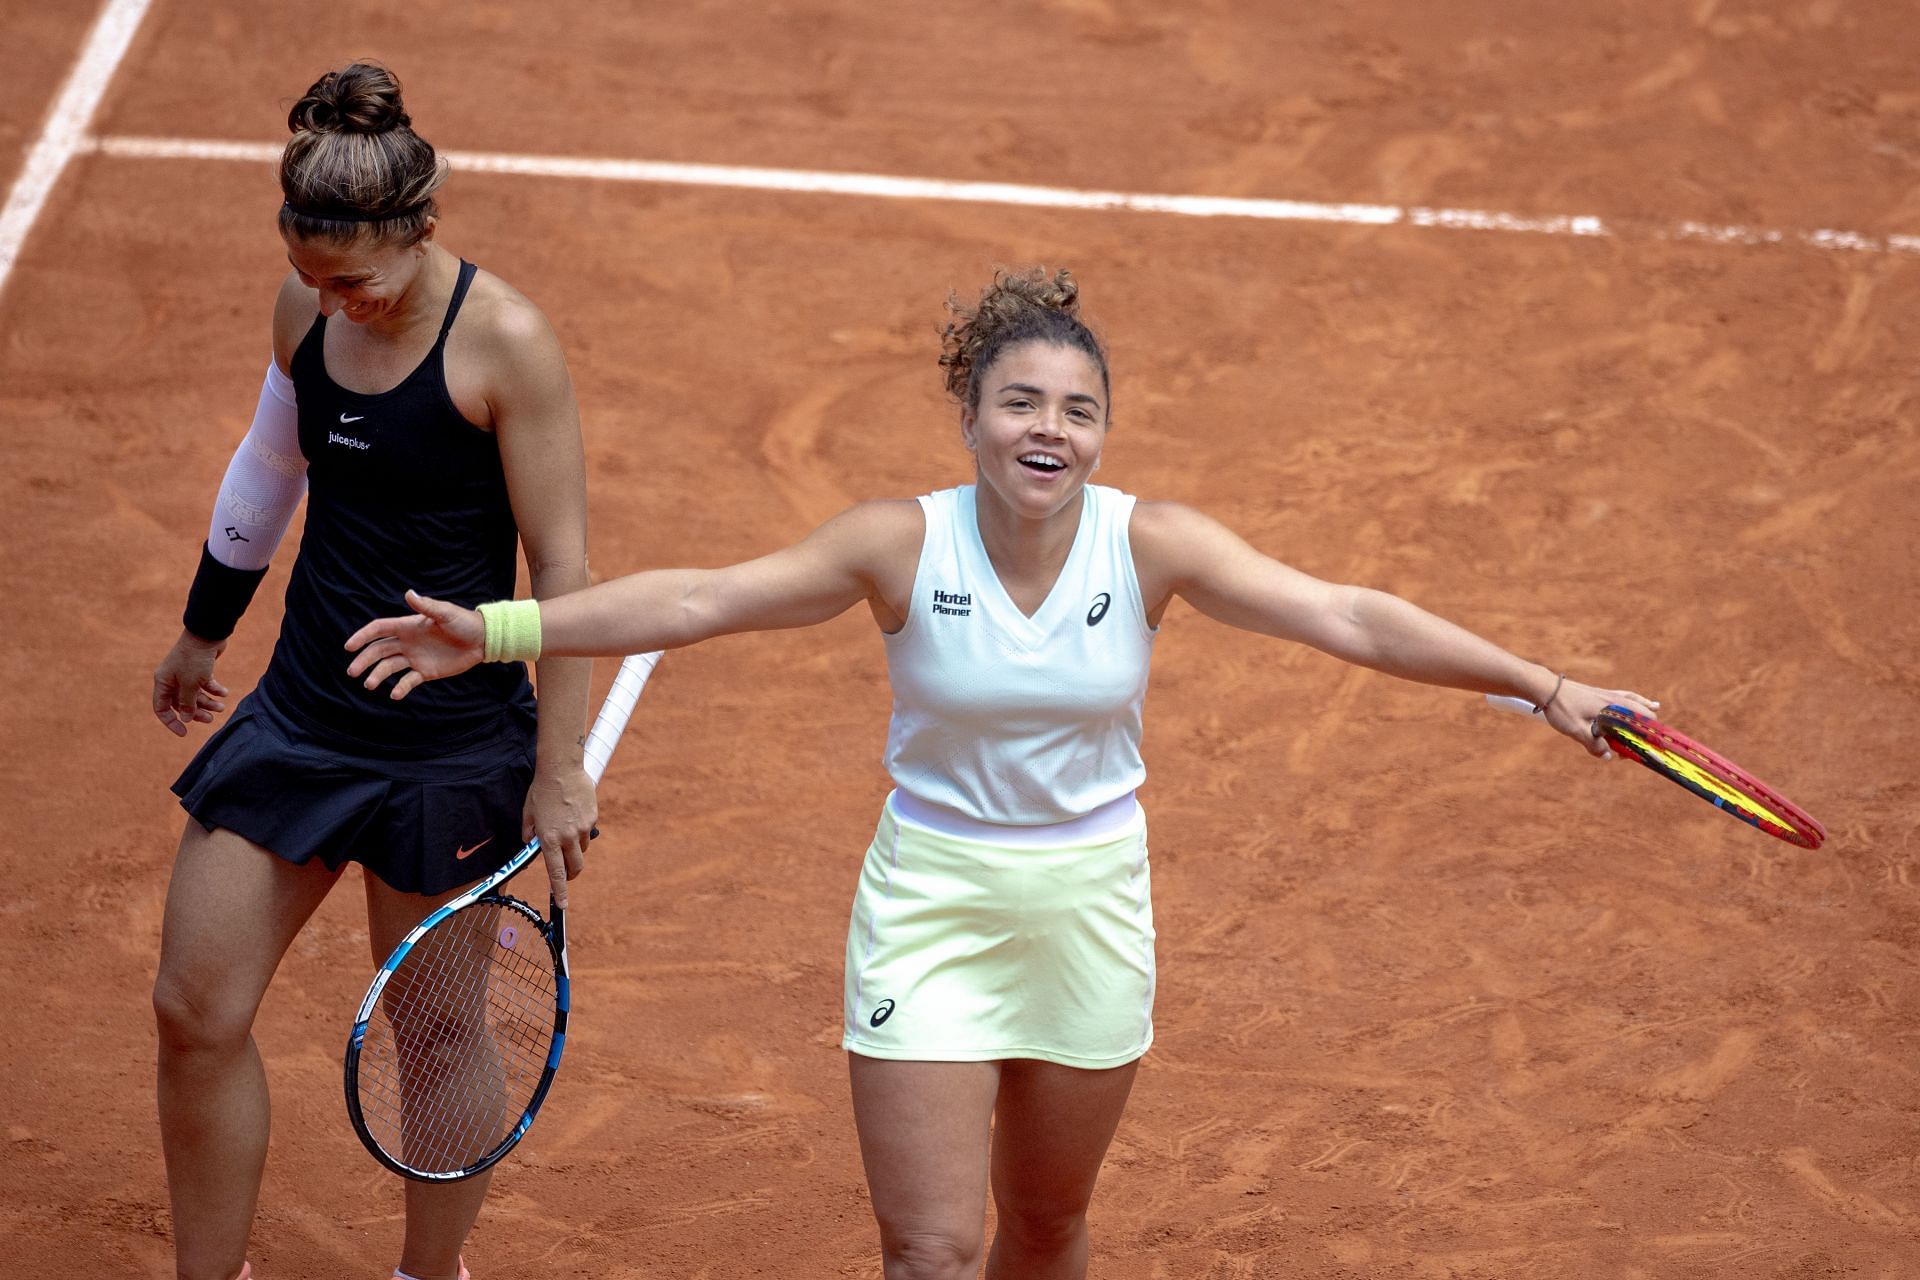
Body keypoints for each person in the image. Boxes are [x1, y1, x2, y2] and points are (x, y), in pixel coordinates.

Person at [345, 267, 1656, 1280]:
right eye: (1022, 403)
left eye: (1079, 411)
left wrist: (1544, 687)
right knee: (931, 1253)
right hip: (932, 913)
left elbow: (1352, 615)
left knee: (1046, 1226)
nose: (1051, 430)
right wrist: (496, 629)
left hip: (1091, 915)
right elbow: (702, 597)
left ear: (1104, 433)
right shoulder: (896, 546)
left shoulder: (1154, 547)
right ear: (970, 415)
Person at [148, 63, 596, 1280]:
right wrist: (205, 625)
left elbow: (562, 568)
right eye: (308, 273)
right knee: (195, 1012)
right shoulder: (309, 314)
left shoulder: (504, 341)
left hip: (450, 750)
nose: (330, 300)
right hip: (300, 719)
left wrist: (559, 768)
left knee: (440, 1032)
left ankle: (425, 1272)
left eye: (353, 277)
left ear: (421, 230)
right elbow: (270, 464)